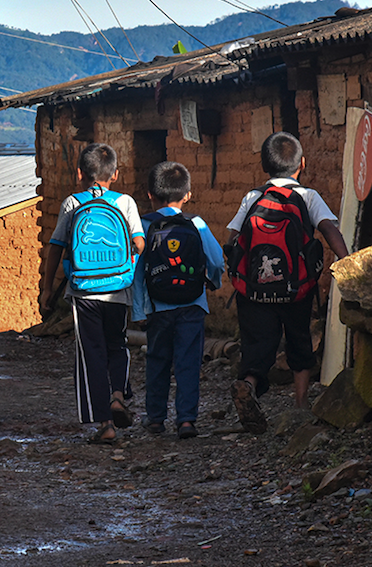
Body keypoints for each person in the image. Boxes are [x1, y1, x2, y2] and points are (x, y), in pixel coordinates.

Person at [226, 131, 349, 432]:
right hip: (297, 288)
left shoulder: (253, 197)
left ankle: (249, 385)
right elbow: (329, 229)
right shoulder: (308, 196)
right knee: (299, 339)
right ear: (301, 164)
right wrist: (347, 260)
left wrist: (236, 274)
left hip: (255, 290)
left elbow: (232, 239)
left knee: (257, 344)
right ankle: (300, 403)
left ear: (264, 166)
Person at [40, 142, 144, 444]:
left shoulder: (73, 203)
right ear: (115, 174)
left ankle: (104, 423)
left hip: (83, 291)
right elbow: (138, 244)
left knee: (91, 354)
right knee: (118, 345)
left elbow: (57, 247)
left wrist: (47, 289)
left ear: (79, 173)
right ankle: (117, 394)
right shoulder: (125, 202)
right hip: (117, 288)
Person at [130, 162, 223, 439]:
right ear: (188, 195)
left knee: (157, 359)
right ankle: (186, 420)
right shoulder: (196, 223)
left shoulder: (144, 226)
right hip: (193, 304)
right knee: (188, 361)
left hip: (157, 307)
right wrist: (213, 284)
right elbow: (216, 260)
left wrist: (138, 310)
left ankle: (156, 418)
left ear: (150, 194)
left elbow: (136, 273)